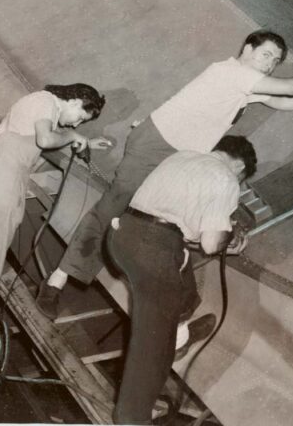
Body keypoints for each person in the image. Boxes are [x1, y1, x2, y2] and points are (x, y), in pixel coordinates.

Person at [36, 30, 293, 318]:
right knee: (112, 205)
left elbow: (282, 101)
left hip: (178, 157)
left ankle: (178, 319)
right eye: (265, 54)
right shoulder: (231, 72)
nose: (270, 64)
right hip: (156, 145)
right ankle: (55, 284)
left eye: (276, 61)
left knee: (170, 225)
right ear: (247, 48)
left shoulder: (245, 85)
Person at [0, 84, 113, 338]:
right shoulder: (46, 103)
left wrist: (84, 141)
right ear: (75, 101)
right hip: (2, 189)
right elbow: (45, 139)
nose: (75, 125)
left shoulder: (39, 103)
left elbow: (33, 140)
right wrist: (74, 137)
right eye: (80, 119)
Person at [108, 135, 254, 425]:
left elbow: (182, 219)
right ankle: (131, 418)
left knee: (185, 295)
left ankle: (178, 337)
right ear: (239, 167)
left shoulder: (184, 155)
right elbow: (211, 245)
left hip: (122, 236)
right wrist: (229, 235)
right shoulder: (227, 179)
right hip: (154, 251)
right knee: (150, 342)